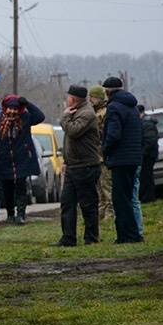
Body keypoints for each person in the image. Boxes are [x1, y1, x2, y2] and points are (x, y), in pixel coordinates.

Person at [52, 85, 101, 247]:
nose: (67, 99)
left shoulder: (86, 113)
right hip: (74, 166)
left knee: (88, 204)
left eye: (68, 97)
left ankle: (91, 238)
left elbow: (73, 132)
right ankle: (68, 237)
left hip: (85, 166)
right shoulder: (78, 111)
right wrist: (67, 161)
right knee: (67, 203)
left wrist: (65, 118)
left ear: (72, 99)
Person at [0, 94, 45, 225]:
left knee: (20, 186)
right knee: (7, 188)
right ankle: (10, 214)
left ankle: (21, 214)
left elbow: (40, 116)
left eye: (15, 108)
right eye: (9, 108)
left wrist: (28, 103)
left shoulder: (26, 118)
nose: (12, 111)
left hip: (22, 158)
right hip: (4, 158)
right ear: (5, 108)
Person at [100, 77, 143, 244]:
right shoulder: (131, 106)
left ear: (107, 92)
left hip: (121, 159)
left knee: (120, 199)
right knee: (131, 197)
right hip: (134, 158)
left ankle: (126, 235)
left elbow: (113, 134)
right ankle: (135, 233)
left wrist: (106, 150)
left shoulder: (114, 107)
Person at [88, 85, 113, 222]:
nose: (90, 99)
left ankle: (110, 212)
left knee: (107, 186)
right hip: (96, 156)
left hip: (103, 155)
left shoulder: (104, 112)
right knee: (99, 187)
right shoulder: (94, 111)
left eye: (93, 97)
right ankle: (102, 211)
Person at [138, 104, 159, 204]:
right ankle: (146, 197)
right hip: (148, 153)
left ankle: (148, 198)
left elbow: (150, 141)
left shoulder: (146, 123)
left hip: (148, 155)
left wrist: (142, 153)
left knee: (146, 177)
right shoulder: (146, 123)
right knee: (145, 176)